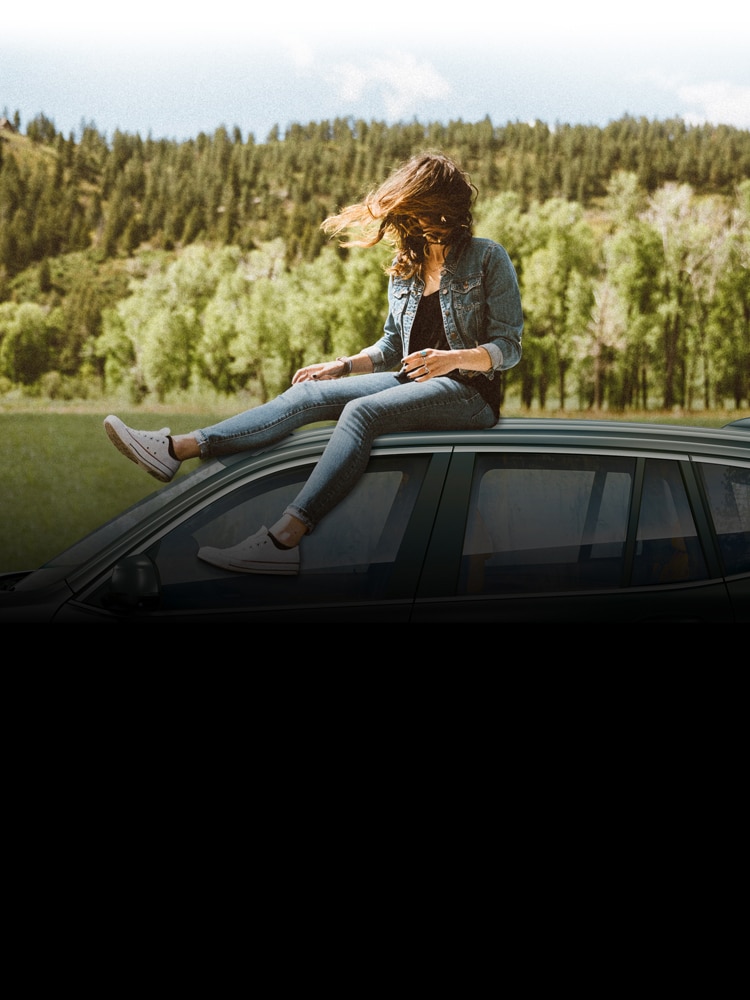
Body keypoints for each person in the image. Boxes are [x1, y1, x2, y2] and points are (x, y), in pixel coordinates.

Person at [104, 151, 524, 575]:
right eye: (413, 214)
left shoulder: (488, 258)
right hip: (409, 382)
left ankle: (284, 539)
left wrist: (452, 359)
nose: (420, 223)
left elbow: (509, 346)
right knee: (307, 393)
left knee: (362, 413)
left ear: (447, 207)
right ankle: (176, 448)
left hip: (471, 394)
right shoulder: (407, 268)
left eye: (425, 212)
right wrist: (341, 366)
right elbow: (392, 346)